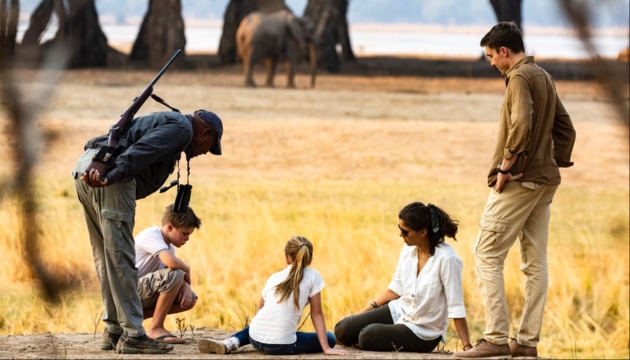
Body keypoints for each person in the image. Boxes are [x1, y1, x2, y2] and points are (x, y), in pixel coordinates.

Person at [453, 22, 576, 359]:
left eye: (491, 56)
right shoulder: (544, 76)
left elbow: (521, 123)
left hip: (520, 180)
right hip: (545, 180)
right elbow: (566, 128)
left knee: (486, 253)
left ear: (504, 51)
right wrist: (553, 161)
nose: (491, 62)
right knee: (535, 262)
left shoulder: (520, 77)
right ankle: (526, 342)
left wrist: (508, 166)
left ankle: (494, 338)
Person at [72, 109, 223, 354]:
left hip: (86, 168)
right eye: (210, 145)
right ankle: (133, 334)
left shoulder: (170, 123)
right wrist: (110, 177)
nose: (206, 151)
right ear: (204, 132)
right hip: (107, 176)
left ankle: (114, 330)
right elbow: (143, 151)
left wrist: (102, 172)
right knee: (120, 256)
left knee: (105, 257)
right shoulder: (182, 130)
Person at [334, 202, 472, 354]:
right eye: (399, 229)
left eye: (405, 231)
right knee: (343, 328)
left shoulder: (447, 259)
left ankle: (367, 340)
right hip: (399, 311)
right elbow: (395, 289)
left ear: (423, 232)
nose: (401, 235)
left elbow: (456, 306)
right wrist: (360, 313)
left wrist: (467, 347)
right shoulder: (408, 250)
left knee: (368, 336)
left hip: (424, 331)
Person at [197, 236, 348, 356]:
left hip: (255, 338)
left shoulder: (274, 277)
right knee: (330, 337)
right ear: (309, 259)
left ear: (287, 257)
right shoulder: (314, 276)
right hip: (282, 345)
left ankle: (231, 342)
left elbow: (260, 307)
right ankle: (236, 341)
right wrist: (327, 348)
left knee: (256, 326)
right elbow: (317, 314)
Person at [135, 204, 201, 344]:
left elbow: (174, 273)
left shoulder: (169, 246)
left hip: (140, 292)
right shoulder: (151, 234)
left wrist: (186, 287)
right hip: (127, 292)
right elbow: (172, 265)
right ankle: (155, 328)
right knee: (176, 274)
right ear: (170, 227)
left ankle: (133, 319)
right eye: (184, 233)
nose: (187, 239)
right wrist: (186, 269)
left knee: (191, 299)